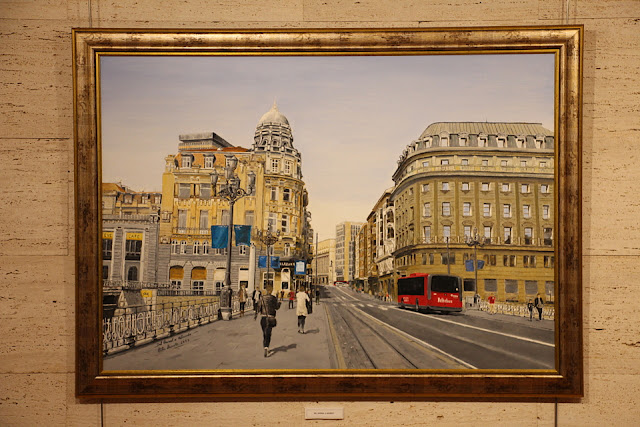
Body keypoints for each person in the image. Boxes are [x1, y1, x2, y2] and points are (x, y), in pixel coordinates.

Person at [254, 285, 280, 358]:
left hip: (263, 318)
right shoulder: (273, 298)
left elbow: (258, 307)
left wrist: (255, 316)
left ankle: (265, 345)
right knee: (269, 333)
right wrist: (279, 303)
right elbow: (276, 307)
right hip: (270, 317)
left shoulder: (262, 298)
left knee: (264, 333)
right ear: (271, 291)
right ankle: (266, 346)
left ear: (265, 290)